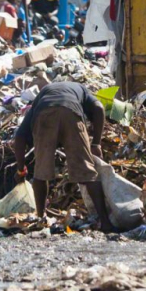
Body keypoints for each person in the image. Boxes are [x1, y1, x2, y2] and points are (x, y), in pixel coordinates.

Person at [13, 82, 114, 232]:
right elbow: (99, 108)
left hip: (44, 115)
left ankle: (41, 219)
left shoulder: (42, 97)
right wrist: (96, 143)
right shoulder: (82, 91)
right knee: (87, 172)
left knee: (41, 174)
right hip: (71, 113)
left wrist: (21, 170)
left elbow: (19, 137)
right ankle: (106, 223)